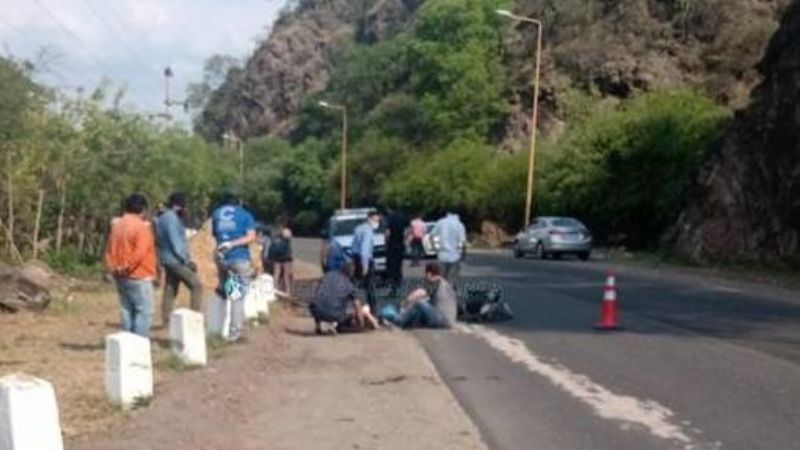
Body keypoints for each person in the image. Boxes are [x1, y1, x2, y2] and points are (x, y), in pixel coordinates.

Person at [104, 193, 157, 337]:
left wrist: (113, 268)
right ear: (143, 210)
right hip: (139, 275)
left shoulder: (117, 225)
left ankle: (127, 342)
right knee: (144, 310)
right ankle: (138, 344)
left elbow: (109, 250)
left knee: (126, 309)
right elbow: (140, 253)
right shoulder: (141, 228)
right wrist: (127, 266)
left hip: (120, 276)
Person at [211, 192, 257, 342]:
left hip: (222, 259)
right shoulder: (244, 215)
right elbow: (251, 237)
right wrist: (233, 243)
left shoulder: (217, 214)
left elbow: (215, 235)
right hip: (238, 259)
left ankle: (215, 329)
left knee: (223, 293)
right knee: (236, 297)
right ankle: (234, 334)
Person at [155, 192, 203, 326]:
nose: (185, 209)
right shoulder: (171, 219)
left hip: (166, 258)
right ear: (177, 206)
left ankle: (167, 321)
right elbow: (176, 242)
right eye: (184, 206)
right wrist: (187, 261)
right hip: (175, 259)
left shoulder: (163, 217)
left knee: (170, 288)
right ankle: (195, 318)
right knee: (196, 285)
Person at [309, 261, 379, 334]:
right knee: (342, 308)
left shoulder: (329, 275)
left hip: (314, 309)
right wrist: (361, 323)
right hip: (334, 314)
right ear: (351, 274)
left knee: (320, 300)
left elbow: (316, 289)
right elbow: (357, 305)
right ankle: (333, 324)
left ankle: (318, 326)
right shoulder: (350, 286)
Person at [391, 262, 458, 329]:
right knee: (424, 302)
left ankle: (398, 320)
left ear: (429, 274)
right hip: (449, 320)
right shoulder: (446, 283)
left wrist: (405, 302)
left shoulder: (436, 282)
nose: (424, 276)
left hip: (442, 319)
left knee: (419, 303)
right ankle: (412, 322)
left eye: (425, 274)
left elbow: (419, 293)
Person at [350, 211, 380, 315]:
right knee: (370, 288)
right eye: (375, 220)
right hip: (365, 260)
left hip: (355, 258)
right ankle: (373, 313)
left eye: (378, 221)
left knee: (354, 286)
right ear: (369, 219)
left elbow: (353, 245)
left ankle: (356, 308)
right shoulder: (368, 231)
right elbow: (365, 249)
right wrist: (365, 265)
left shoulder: (358, 228)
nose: (377, 223)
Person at [431, 211, 467, 286]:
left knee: (440, 281)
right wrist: (463, 255)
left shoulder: (441, 222)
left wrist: (435, 248)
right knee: (451, 281)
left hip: (442, 256)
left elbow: (432, 235)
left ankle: (440, 296)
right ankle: (450, 295)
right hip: (455, 257)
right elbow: (463, 242)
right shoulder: (459, 225)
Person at [385, 208, 408, 295]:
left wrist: (386, 242)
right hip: (400, 244)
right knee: (399, 264)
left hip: (392, 245)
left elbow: (387, 233)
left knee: (391, 266)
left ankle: (393, 285)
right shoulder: (403, 217)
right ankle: (398, 281)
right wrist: (405, 241)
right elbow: (406, 231)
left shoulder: (390, 218)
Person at [269, 223, 294, 297]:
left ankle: (275, 290)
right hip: (286, 256)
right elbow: (289, 238)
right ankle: (288, 292)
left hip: (277, 256)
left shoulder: (274, 233)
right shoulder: (286, 231)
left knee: (276, 273)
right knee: (286, 275)